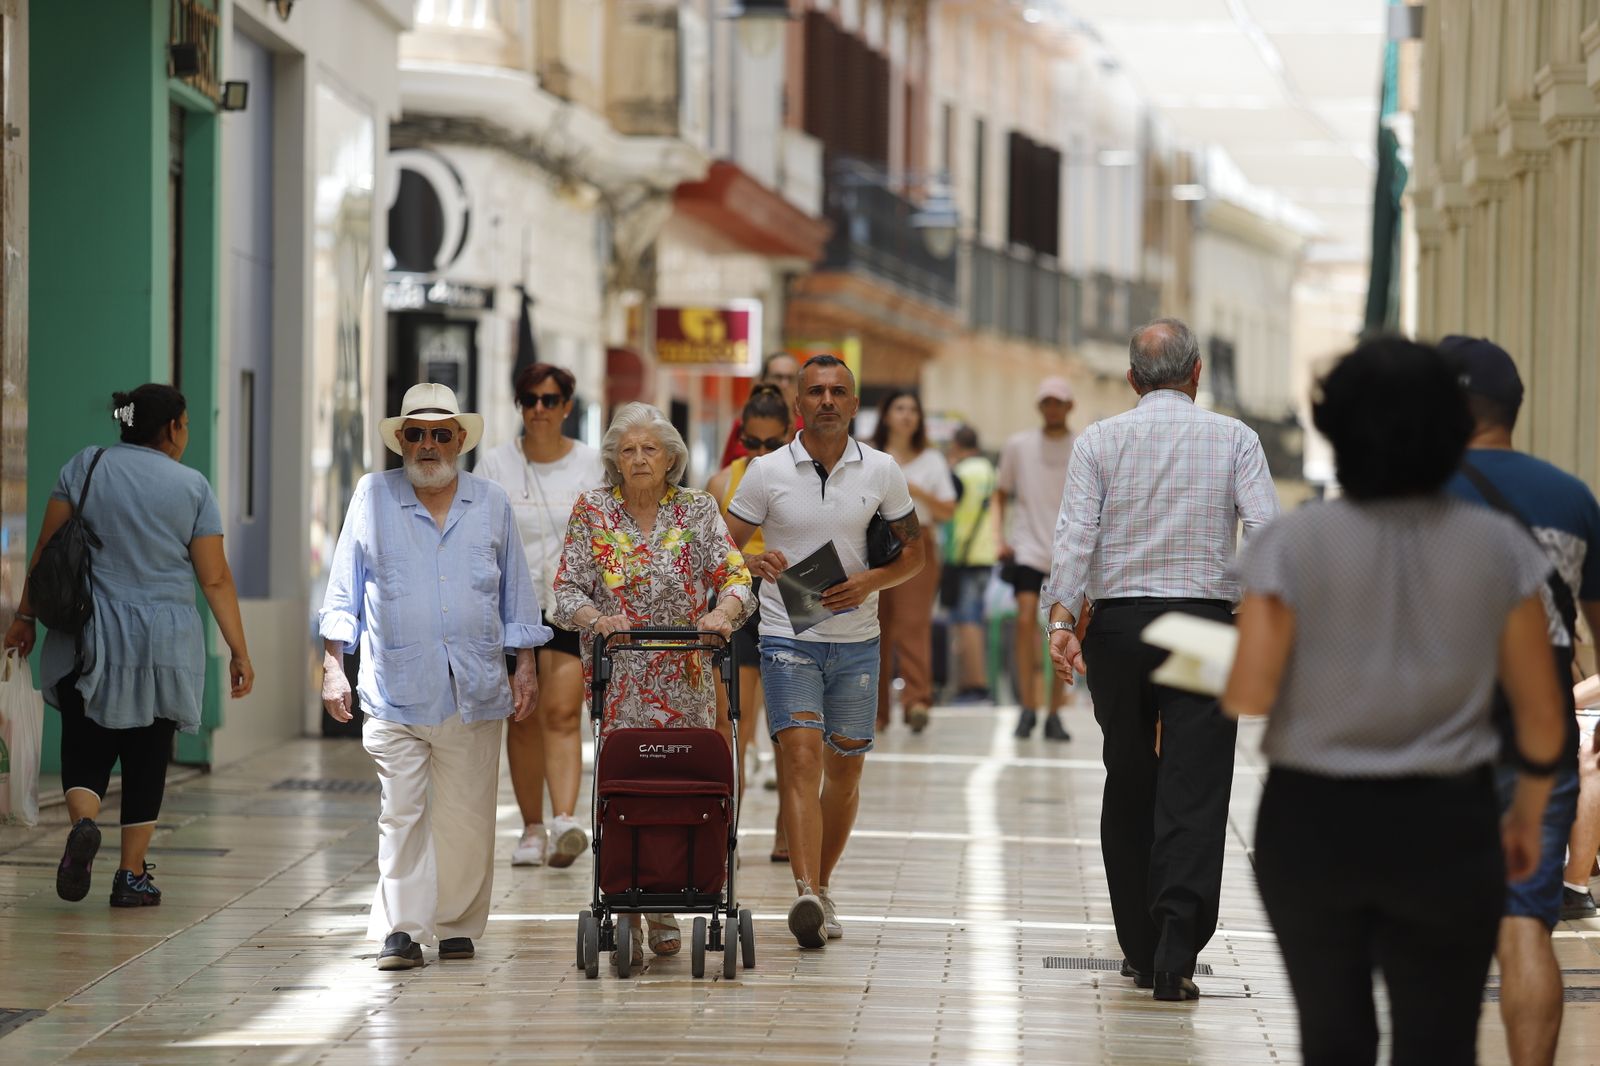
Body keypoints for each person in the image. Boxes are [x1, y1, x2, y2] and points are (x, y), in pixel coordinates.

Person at [1222, 337, 1565, 1064]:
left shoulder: (1291, 544)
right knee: (1438, 1041)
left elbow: (1249, 690)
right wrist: (1527, 814)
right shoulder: (1499, 548)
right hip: (1448, 823)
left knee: (1334, 1038)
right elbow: (1541, 716)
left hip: (1312, 820)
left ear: (1337, 427)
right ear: (1451, 427)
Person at [1042, 318, 1279, 1001]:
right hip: (1202, 625)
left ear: (1131, 379)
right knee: (1194, 784)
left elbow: (1075, 534)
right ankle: (1177, 946)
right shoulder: (1235, 439)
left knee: (1129, 776)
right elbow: (1265, 531)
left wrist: (1062, 620)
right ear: (1197, 373)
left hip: (1118, 629)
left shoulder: (1099, 440)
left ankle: (1140, 951)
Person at [318, 383, 548, 971]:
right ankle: (401, 929)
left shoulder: (491, 501)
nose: (428, 445)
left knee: (466, 817)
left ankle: (455, 924)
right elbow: (343, 589)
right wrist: (333, 667)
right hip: (395, 686)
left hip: (475, 685)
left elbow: (516, 593)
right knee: (400, 813)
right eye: (416, 434)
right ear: (400, 440)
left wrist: (525, 666)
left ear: (460, 440)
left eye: (441, 434)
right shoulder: (371, 495)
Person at [3, 384, 254, 908]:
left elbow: (47, 549)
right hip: (161, 643)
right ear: (172, 429)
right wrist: (238, 649)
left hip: (86, 634)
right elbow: (214, 578)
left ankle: (84, 825)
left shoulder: (86, 466)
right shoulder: (192, 487)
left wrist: (25, 617)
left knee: (85, 745)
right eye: (186, 424)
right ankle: (131, 875)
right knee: (146, 756)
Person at [725, 354, 925, 949]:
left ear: (855, 403)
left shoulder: (883, 470)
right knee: (801, 757)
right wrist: (753, 562)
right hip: (787, 635)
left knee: (845, 772)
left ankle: (825, 884)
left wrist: (870, 583)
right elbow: (721, 549)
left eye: (838, 391)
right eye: (815, 392)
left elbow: (913, 555)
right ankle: (806, 892)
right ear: (799, 404)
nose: (827, 401)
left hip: (858, 643)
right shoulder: (765, 472)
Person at [1439, 335, 1600, 1066]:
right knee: (1525, 925)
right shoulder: (1572, 499)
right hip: (1537, 728)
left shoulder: (1409, 494)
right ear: (1514, 407)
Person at [551, 401, 753, 970]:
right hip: (620, 678)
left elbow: (735, 575)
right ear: (614, 459)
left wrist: (724, 612)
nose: (639, 458)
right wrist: (597, 619)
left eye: (650, 449)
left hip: (685, 677)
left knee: (677, 790)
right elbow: (565, 592)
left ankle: (666, 908)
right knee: (628, 792)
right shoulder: (593, 510)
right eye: (628, 450)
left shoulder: (697, 509)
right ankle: (628, 905)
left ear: (670, 458)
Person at [476, 363, 605, 870]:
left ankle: (565, 820)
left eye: (549, 400)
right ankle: (532, 827)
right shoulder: (495, 464)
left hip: (572, 604)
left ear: (567, 406)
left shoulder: (591, 464)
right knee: (522, 716)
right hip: (512, 606)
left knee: (562, 712)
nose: (538, 409)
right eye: (529, 400)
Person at [707, 383, 791, 861]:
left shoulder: (801, 478)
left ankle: (787, 828)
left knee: (786, 725)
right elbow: (708, 553)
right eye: (752, 443)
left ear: (788, 436)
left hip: (788, 599)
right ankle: (727, 830)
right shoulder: (723, 482)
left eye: (771, 444)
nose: (760, 454)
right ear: (740, 439)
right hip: (737, 600)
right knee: (728, 722)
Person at [870, 390, 955, 732]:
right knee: (873, 626)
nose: (906, 415)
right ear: (886, 415)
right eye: (899, 408)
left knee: (913, 623)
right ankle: (875, 711)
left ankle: (917, 700)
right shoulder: (868, 454)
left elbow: (947, 510)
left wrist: (914, 490)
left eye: (913, 410)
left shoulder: (932, 460)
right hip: (874, 545)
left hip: (918, 542)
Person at [997, 377, 1076, 740]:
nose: (1053, 409)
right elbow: (1001, 493)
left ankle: (1055, 712)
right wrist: (998, 537)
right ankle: (1028, 707)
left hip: (1067, 549)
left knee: (1062, 630)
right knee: (1025, 621)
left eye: (1058, 402)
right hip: (1028, 545)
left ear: (1069, 406)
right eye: (1047, 402)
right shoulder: (1019, 445)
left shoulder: (1082, 445)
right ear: (1040, 406)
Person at [944, 425, 999, 703]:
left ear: (956, 445)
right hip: (986, 554)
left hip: (965, 554)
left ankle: (975, 686)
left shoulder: (961, 473)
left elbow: (947, 509)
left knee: (967, 622)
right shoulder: (989, 470)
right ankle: (973, 683)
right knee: (975, 619)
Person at [719, 352, 802, 467]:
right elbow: (728, 467)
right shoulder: (743, 422)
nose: (784, 384)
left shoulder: (807, 427)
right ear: (763, 380)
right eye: (777, 377)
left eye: (790, 378)